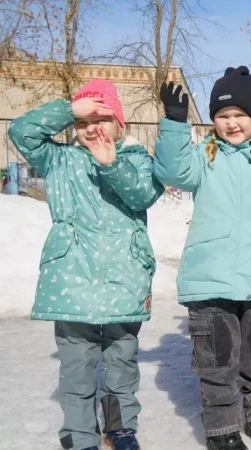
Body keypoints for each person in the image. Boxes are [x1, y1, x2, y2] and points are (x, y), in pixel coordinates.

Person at [9, 79, 163, 450]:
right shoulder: (58, 158)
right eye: (84, 121)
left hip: (124, 279)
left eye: (103, 119)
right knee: (76, 368)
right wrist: (67, 110)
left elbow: (143, 194)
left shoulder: (136, 159)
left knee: (121, 363)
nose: (93, 128)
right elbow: (20, 132)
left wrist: (110, 166)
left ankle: (120, 428)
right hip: (71, 281)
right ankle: (80, 434)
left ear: (120, 125)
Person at [154, 67, 251, 450]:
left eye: (240, 115)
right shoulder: (205, 156)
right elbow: (171, 170)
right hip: (210, 278)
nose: (231, 123)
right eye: (222, 116)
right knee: (217, 362)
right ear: (213, 120)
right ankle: (221, 427)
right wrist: (173, 124)